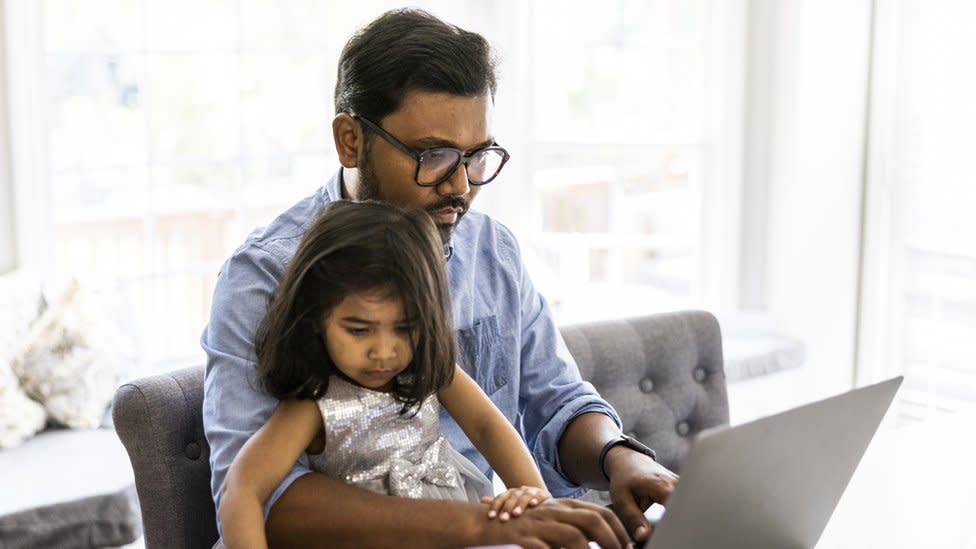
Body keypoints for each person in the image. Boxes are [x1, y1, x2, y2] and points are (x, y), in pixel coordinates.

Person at [202, 8, 678, 549]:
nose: (461, 186)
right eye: (434, 156)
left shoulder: (491, 250)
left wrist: (619, 458)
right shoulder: (264, 276)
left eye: (477, 158)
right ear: (350, 140)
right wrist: (484, 523)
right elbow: (260, 498)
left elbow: (554, 402)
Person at [218, 201, 551, 549]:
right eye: (359, 330)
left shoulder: (429, 371)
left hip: (451, 532)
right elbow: (242, 487)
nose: (383, 351)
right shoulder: (315, 406)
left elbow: (487, 426)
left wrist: (538, 502)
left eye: (406, 328)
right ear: (317, 319)